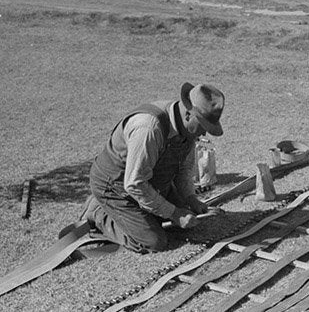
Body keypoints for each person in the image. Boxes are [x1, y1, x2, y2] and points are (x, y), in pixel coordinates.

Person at [81, 82, 225, 253]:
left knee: (188, 221)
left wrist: (190, 198)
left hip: (151, 181)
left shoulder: (187, 129)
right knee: (153, 241)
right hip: (116, 186)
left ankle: (144, 213)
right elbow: (135, 184)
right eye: (203, 126)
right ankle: (97, 212)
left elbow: (184, 169)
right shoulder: (148, 128)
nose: (204, 134)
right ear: (188, 115)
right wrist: (174, 213)